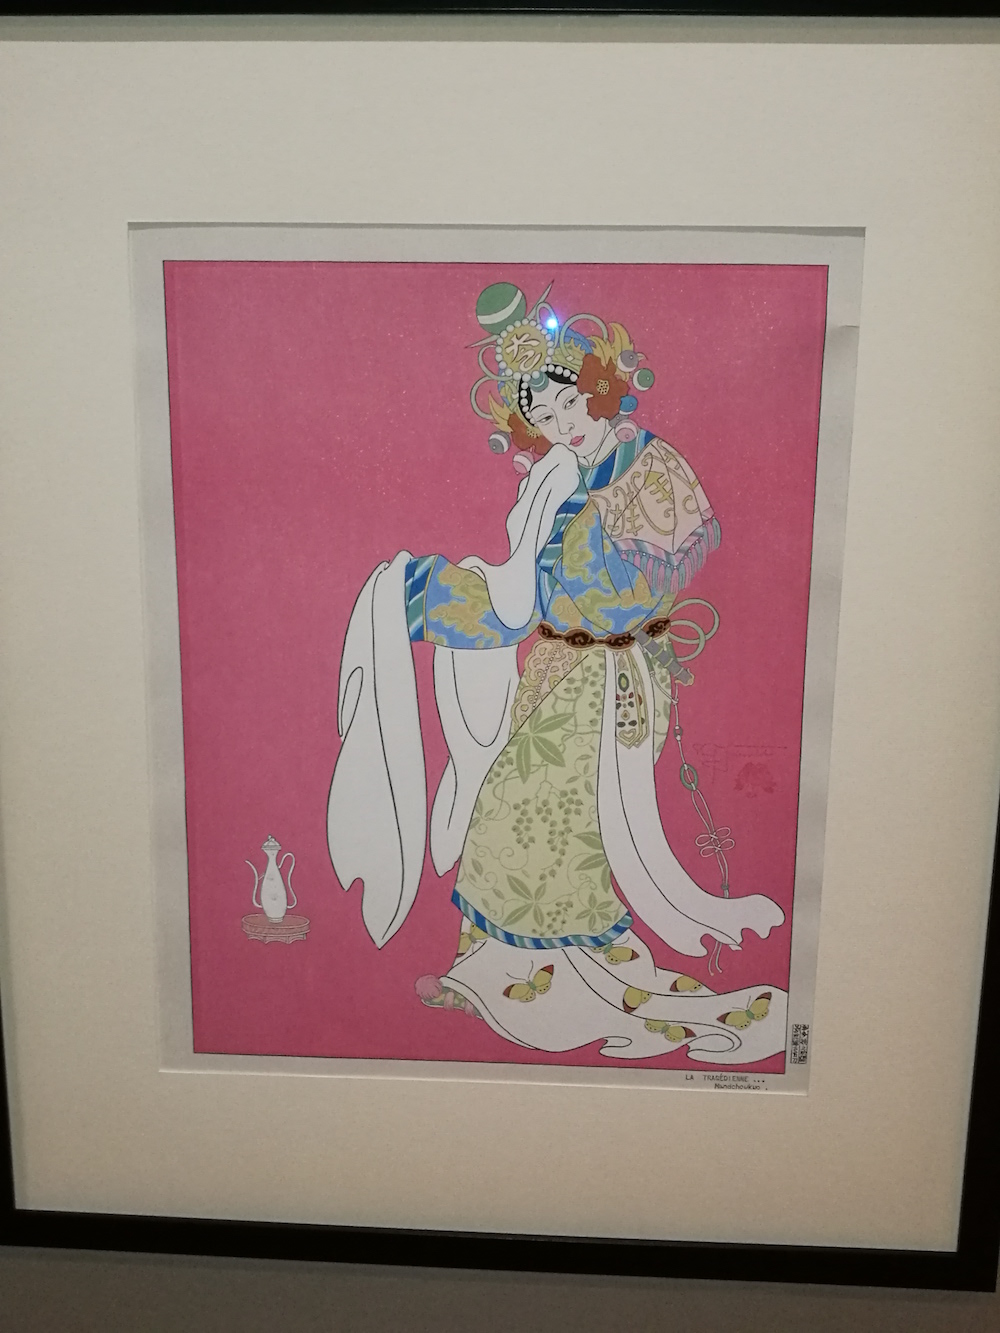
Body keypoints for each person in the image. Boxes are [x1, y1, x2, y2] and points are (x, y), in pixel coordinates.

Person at [327, 282, 786, 1064]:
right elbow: (519, 599)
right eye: (543, 417)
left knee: (530, 811)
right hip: (557, 670)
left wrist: (589, 547)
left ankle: (568, 974)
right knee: (517, 812)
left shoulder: (649, 468)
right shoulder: (557, 481)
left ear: (599, 388)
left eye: (570, 403)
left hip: (609, 676)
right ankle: (490, 971)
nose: (563, 424)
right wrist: (420, 593)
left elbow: (634, 592)